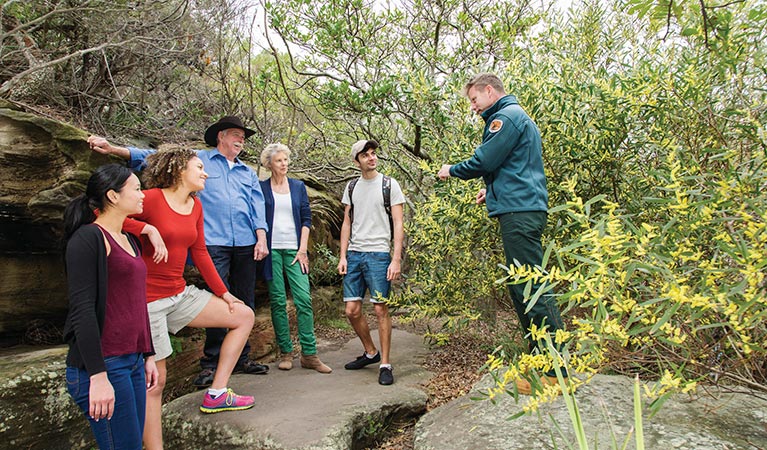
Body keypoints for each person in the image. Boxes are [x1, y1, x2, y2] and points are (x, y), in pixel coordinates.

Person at [87, 116, 270, 389]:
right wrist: (115, 149)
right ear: (220, 136)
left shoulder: (247, 172)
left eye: (243, 136)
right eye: (236, 134)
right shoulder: (199, 160)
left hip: (244, 242)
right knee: (218, 301)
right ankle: (211, 365)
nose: (241, 139)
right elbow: (156, 157)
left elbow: (258, 205)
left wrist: (261, 236)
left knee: (242, 301)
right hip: (212, 242)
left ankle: (241, 359)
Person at [437, 73, 567, 394]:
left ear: (489, 90)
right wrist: (491, 192)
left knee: (531, 288)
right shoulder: (512, 117)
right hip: (520, 208)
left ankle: (554, 371)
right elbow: (514, 169)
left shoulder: (506, 118)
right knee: (526, 287)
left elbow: (485, 160)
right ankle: (545, 364)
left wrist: (450, 170)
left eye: (474, 99)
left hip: (519, 214)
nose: (472, 107)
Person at [122, 148, 256, 449]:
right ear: (180, 169)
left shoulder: (195, 206)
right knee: (156, 382)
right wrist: (147, 228)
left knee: (243, 315)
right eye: (199, 167)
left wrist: (224, 293)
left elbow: (201, 253)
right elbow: (106, 216)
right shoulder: (153, 198)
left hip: (179, 294)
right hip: (147, 301)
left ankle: (218, 393)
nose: (205, 173)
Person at [62, 164, 159, 449]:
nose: (143, 195)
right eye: (137, 189)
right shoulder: (88, 239)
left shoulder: (129, 239)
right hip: (104, 366)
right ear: (113, 196)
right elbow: (81, 310)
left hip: (132, 361)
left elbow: (137, 302)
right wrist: (98, 375)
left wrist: (148, 354)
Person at [259, 143, 332, 373]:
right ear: (269, 164)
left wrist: (302, 249)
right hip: (271, 251)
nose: (284, 164)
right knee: (278, 301)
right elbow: (258, 218)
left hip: (295, 251)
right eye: (279, 160)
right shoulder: (261, 188)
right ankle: (286, 352)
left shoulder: (298, 187)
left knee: (303, 299)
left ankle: (309, 354)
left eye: (286, 160)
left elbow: (306, 219)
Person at [338, 139, 405, 386]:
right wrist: (343, 255)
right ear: (357, 161)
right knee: (351, 310)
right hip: (355, 254)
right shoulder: (352, 186)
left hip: (378, 254)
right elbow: (347, 222)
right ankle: (370, 352)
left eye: (373, 153)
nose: (371, 158)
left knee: (380, 309)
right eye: (365, 155)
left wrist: (395, 258)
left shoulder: (389, 185)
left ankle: (385, 364)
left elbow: (398, 223)